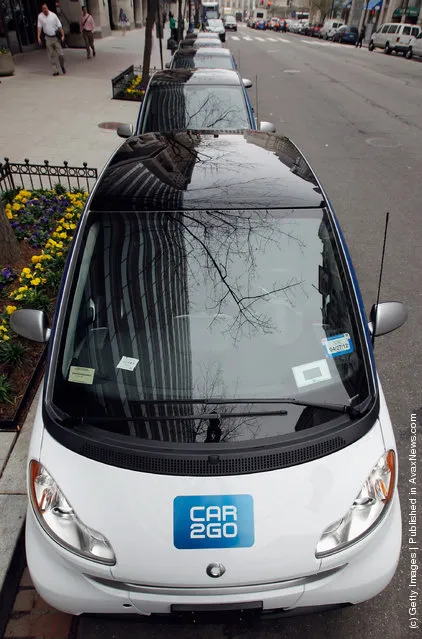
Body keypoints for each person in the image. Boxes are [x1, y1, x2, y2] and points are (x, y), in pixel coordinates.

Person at [37, 3, 65, 76]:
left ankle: (62, 66)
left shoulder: (53, 15)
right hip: (47, 38)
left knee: (61, 54)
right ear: (42, 10)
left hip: (55, 37)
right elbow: (39, 27)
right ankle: (55, 70)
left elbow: (59, 26)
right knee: (51, 55)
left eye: (46, 8)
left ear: (47, 8)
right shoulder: (40, 16)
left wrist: (63, 35)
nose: (45, 10)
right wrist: (38, 37)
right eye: (43, 9)